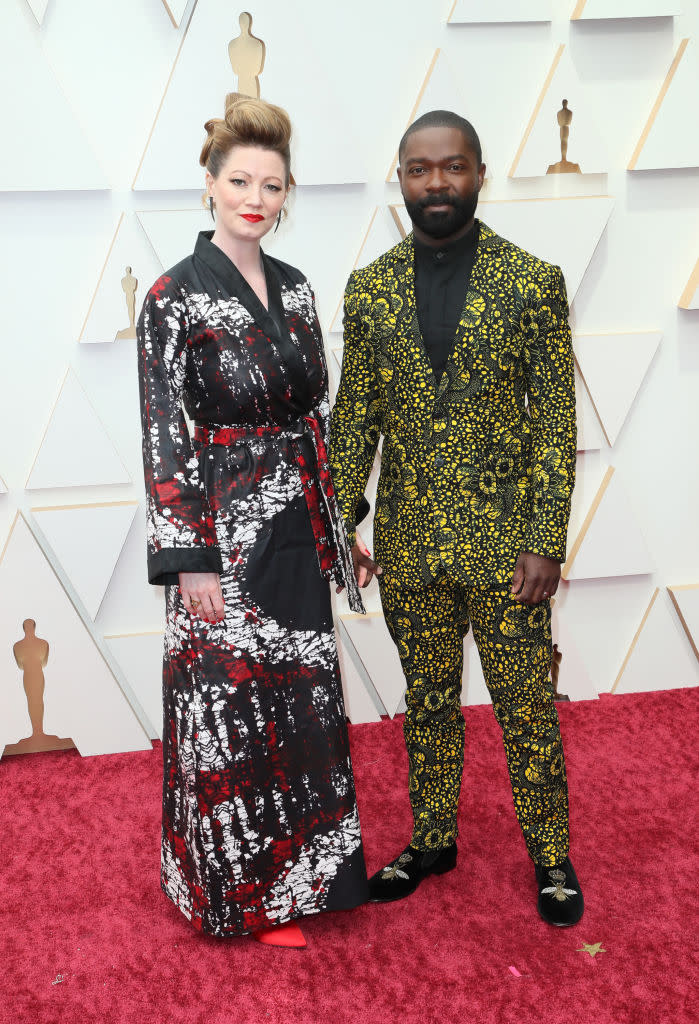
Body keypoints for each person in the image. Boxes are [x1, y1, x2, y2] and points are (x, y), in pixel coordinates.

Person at [329, 109, 583, 927]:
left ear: (479, 172)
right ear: (399, 178)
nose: (435, 182)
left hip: (510, 551)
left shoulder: (532, 281)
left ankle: (550, 855)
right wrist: (343, 524)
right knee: (427, 699)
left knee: (524, 707)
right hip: (407, 548)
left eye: (451, 167)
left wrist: (546, 538)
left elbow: (554, 422)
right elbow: (353, 418)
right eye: (418, 169)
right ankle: (433, 836)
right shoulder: (368, 288)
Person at [137, 93, 369, 949]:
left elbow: (318, 417)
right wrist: (188, 555)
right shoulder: (172, 297)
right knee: (231, 706)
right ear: (208, 184)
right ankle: (242, 895)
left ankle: (311, 881)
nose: (255, 198)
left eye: (272, 184)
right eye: (240, 179)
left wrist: (343, 529)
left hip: (297, 520)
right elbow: (164, 430)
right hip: (223, 532)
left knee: (304, 700)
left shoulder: (300, 289)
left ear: (286, 192)